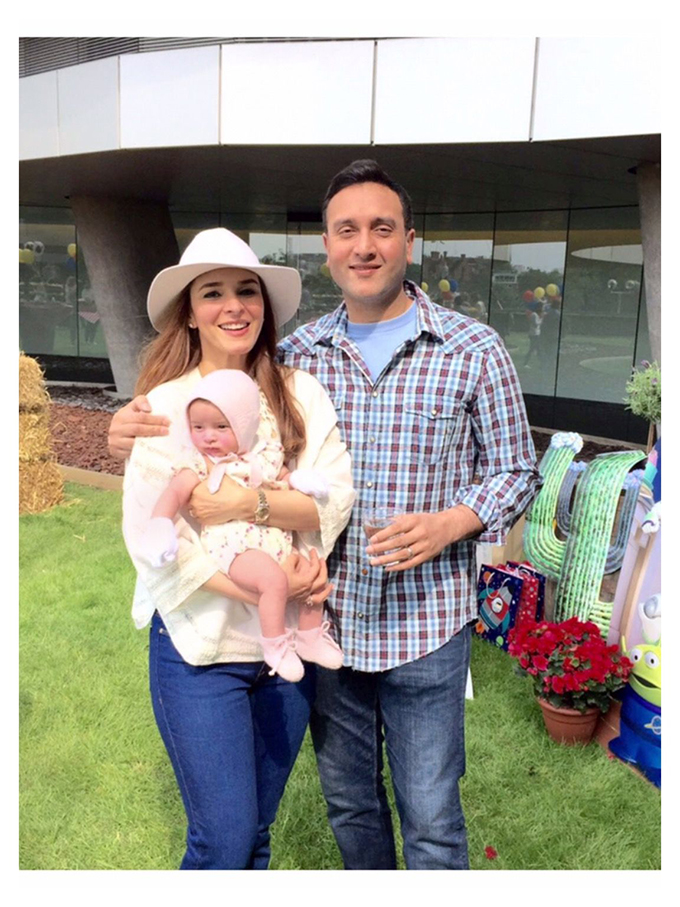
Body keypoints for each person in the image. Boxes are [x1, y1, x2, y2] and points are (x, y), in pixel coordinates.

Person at [109, 161, 541, 871]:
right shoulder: (299, 354)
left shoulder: (468, 350)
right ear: (328, 246)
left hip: (422, 620)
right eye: (347, 230)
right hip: (325, 623)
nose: (364, 245)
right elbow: (189, 428)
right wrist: (122, 431)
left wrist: (453, 521)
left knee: (432, 818)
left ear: (409, 240)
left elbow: (516, 469)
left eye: (381, 228)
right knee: (346, 806)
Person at [118, 227, 355, 870]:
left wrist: (250, 508)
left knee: (255, 833)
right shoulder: (165, 406)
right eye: (212, 293)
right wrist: (268, 586)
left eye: (247, 290)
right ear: (189, 314)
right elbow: (156, 541)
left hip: (287, 656)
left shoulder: (299, 393)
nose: (234, 306)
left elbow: (332, 498)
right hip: (201, 651)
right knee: (221, 839)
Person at [140, 366, 344, 682]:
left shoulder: (261, 457)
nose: (208, 436)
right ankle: (275, 645)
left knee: (312, 569)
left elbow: (282, 476)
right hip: (234, 547)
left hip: (273, 541)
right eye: (198, 427)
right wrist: (160, 524)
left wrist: (299, 479)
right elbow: (174, 493)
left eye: (221, 427)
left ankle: (310, 635)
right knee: (273, 581)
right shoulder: (199, 463)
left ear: (245, 426)